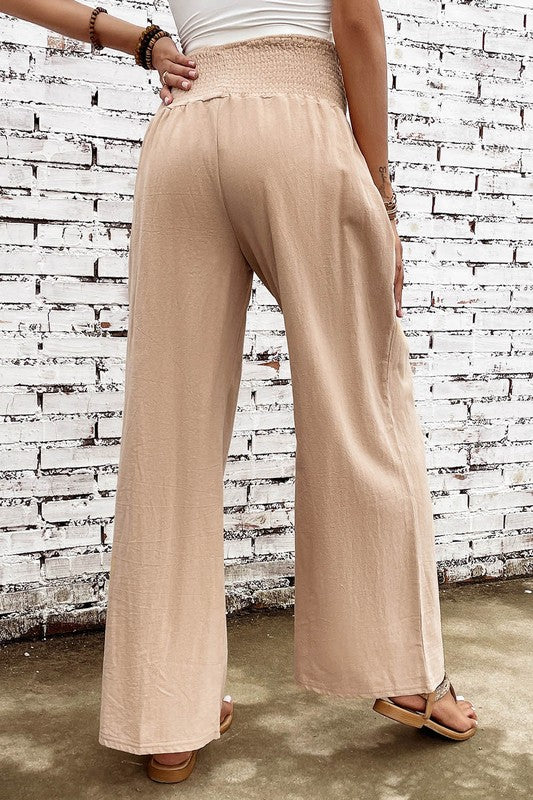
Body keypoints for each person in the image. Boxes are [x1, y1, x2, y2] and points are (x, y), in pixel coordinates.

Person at [1, 0, 479, 785]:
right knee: (361, 409)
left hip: (186, 132)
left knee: (170, 431)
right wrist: (381, 192)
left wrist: (140, 42)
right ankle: (405, 674)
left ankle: (165, 717)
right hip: (301, 128)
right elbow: (357, 24)